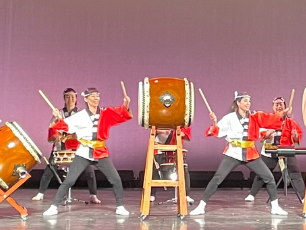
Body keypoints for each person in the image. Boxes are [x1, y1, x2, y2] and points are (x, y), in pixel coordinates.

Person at [189, 91, 289, 216]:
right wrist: (214, 122)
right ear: (238, 102)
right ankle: (201, 206)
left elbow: (270, 118)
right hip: (233, 152)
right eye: (245, 101)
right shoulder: (230, 118)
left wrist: (282, 114)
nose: (248, 103)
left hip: (250, 152)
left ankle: (275, 207)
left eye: (249, 101)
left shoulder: (254, 116)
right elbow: (218, 131)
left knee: (269, 178)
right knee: (217, 178)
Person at [42, 87, 132, 216]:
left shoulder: (105, 113)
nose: (96, 98)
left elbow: (121, 113)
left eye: (97, 96)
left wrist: (126, 103)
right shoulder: (80, 116)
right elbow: (65, 126)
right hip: (84, 152)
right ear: (85, 99)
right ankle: (54, 206)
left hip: (100, 152)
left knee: (116, 179)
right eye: (92, 96)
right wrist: (57, 117)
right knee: (69, 180)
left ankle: (120, 206)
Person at [32, 88, 100, 203]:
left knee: (89, 170)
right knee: (50, 169)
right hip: (61, 146)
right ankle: (40, 193)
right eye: (67, 96)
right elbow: (52, 128)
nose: (71, 99)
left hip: (77, 146)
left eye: (73, 96)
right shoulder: (59, 113)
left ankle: (93, 195)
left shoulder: (81, 113)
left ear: (77, 98)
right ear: (64, 98)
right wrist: (56, 126)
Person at [245, 97, 306, 203]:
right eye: (276, 104)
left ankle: (304, 197)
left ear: (285, 107)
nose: (279, 106)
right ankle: (252, 194)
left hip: (286, 150)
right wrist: (267, 134)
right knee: (262, 173)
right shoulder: (268, 119)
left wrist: (295, 136)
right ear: (273, 107)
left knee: (295, 173)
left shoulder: (290, 122)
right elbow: (261, 137)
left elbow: (296, 141)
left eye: (281, 104)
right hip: (270, 150)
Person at [150, 127, 194, 205]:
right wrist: (163, 130)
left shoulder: (183, 121)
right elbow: (153, 129)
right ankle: (152, 194)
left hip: (175, 148)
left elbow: (185, 134)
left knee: (183, 170)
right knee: (155, 171)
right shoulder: (160, 118)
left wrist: (174, 132)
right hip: (159, 147)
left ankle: (186, 195)